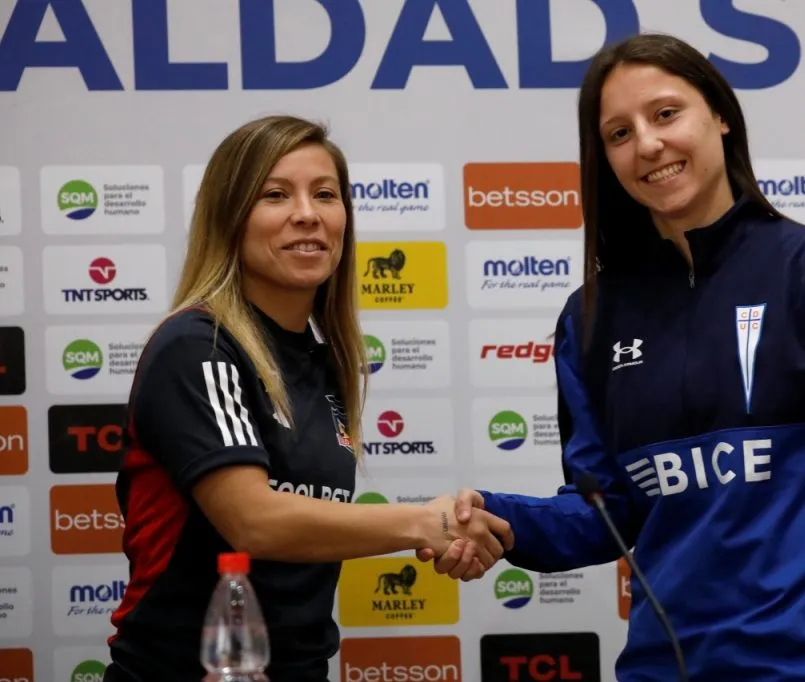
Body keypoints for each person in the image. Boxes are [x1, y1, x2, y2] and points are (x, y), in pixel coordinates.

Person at [418, 33, 805, 681]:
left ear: (721, 116)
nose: (647, 145)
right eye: (618, 133)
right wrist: (499, 520)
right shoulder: (588, 318)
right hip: (661, 667)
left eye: (666, 114)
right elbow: (603, 514)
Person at [102, 114, 512, 682]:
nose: (307, 214)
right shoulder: (197, 345)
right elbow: (254, 520)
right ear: (230, 218)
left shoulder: (323, 362)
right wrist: (426, 524)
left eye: (325, 194)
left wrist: (449, 527)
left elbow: (309, 527)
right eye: (275, 195)